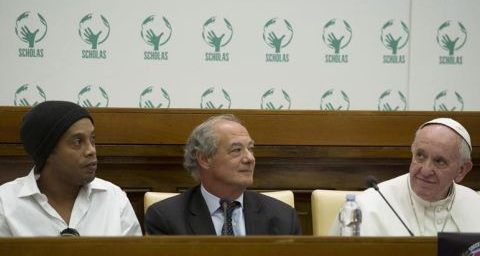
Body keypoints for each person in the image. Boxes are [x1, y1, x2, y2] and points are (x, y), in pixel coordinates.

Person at [0, 101, 142, 236]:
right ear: (47, 151)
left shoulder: (114, 199)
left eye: (92, 139)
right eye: (77, 142)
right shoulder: (5, 204)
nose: (91, 150)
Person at [144, 114, 301, 235]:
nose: (250, 158)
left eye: (250, 148)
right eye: (237, 150)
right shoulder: (166, 218)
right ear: (205, 159)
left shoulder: (283, 217)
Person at [329, 118, 480, 236]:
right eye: (420, 156)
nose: (426, 170)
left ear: (461, 170)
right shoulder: (367, 206)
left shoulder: (476, 206)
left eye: (439, 161)